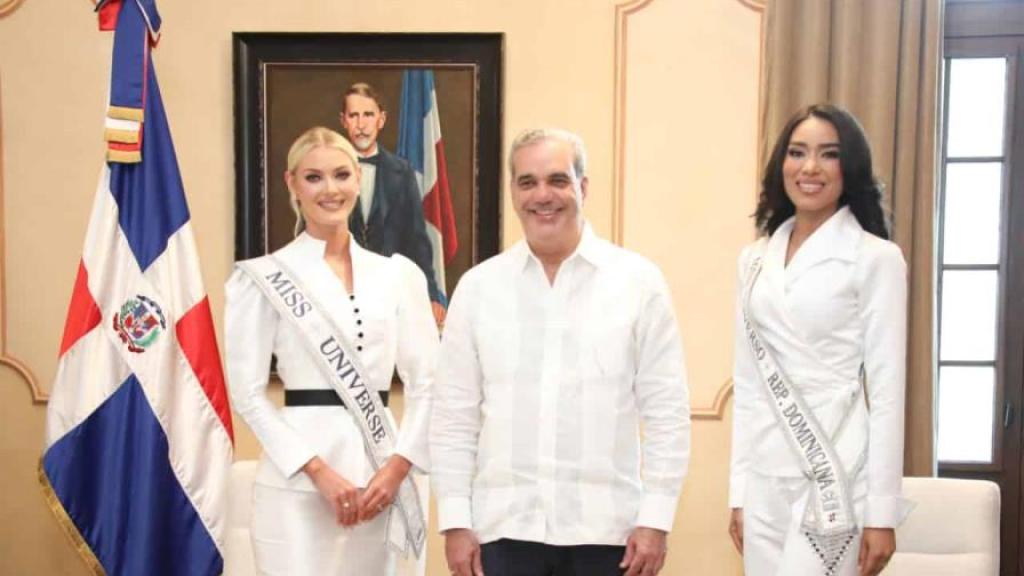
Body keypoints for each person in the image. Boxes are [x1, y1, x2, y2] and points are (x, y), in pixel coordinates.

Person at [431, 128, 691, 576]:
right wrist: (455, 521)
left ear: (583, 187)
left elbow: (667, 412)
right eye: (527, 182)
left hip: (608, 534)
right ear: (514, 192)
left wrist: (656, 520)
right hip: (503, 532)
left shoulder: (637, 283)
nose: (542, 195)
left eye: (557, 180)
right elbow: (454, 415)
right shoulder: (478, 289)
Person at [225, 126, 436, 576]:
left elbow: (429, 383)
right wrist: (317, 470)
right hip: (296, 484)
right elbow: (246, 394)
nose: (330, 189)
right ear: (292, 184)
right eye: (313, 177)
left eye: (341, 174)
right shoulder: (261, 278)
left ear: (358, 178)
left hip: (384, 477)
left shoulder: (399, 276)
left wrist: (397, 468)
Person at [727, 104, 913, 576]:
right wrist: (739, 492)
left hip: (836, 474)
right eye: (797, 152)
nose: (810, 167)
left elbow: (887, 393)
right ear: (781, 164)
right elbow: (748, 384)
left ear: (849, 168)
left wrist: (882, 514)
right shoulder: (753, 260)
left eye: (829, 154)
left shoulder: (876, 259)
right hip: (764, 477)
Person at [339, 82, 446, 324]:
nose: (361, 124)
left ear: (382, 119)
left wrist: (430, 294)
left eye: (368, 115)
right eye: (354, 115)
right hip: (340, 294)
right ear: (343, 120)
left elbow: (416, 239)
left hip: (390, 297)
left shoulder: (402, 171)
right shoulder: (329, 170)